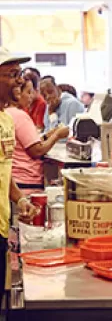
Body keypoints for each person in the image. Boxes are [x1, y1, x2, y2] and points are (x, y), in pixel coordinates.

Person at [0, 47, 36, 308]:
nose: (20, 80)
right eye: (12, 74)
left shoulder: (6, 120)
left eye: (19, 73)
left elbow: (4, 172)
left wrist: (20, 199)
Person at [6, 77, 69, 194]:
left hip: (15, 180)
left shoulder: (6, 113)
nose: (31, 97)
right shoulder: (20, 116)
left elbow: (25, 143)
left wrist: (47, 136)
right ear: (17, 92)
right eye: (28, 92)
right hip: (26, 182)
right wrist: (57, 136)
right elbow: (36, 151)